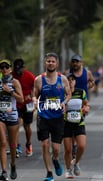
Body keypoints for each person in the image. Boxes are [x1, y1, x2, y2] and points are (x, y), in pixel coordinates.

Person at [33, 52, 71, 181]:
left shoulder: (63, 79)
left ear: (57, 63)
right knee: (44, 145)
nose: (50, 63)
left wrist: (64, 103)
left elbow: (68, 94)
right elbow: (35, 94)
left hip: (57, 117)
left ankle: (55, 159)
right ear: (45, 63)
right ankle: (49, 173)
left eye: (53, 61)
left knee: (55, 148)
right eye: (48, 61)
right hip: (43, 116)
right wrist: (34, 100)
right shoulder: (39, 80)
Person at [0, 59, 24, 181]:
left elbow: (21, 100)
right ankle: (4, 171)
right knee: (3, 143)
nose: (4, 69)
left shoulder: (15, 82)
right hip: (0, 115)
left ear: (10, 69)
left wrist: (11, 92)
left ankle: (13, 164)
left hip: (12, 115)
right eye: (1, 67)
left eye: (6, 67)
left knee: (12, 144)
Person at [65, 54, 94, 159]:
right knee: (71, 122)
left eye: (77, 61)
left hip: (81, 100)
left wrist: (89, 85)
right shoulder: (68, 73)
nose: (75, 63)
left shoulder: (87, 73)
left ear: (81, 62)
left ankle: (75, 144)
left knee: (78, 121)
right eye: (73, 61)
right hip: (70, 99)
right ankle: (74, 145)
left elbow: (92, 82)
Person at [63, 73, 89, 179]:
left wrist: (86, 108)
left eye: (72, 79)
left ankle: (76, 163)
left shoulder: (81, 92)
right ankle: (68, 170)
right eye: (68, 80)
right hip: (66, 123)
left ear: (75, 81)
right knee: (68, 150)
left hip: (79, 122)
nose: (70, 81)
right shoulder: (62, 93)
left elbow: (86, 103)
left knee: (82, 146)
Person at [12, 58, 35, 157]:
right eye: (16, 70)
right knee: (17, 124)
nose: (18, 72)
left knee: (27, 126)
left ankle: (28, 143)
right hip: (16, 103)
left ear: (23, 68)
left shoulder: (29, 76)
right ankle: (17, 146)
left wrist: (32, 95)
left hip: (27, 103)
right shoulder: (12, 76)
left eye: (20, 70)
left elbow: (36, 86)